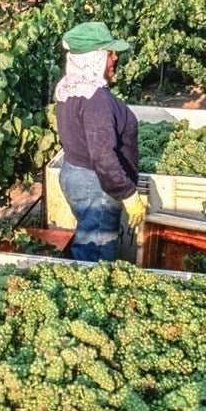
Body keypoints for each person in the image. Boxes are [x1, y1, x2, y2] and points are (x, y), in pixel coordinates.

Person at [54, 22, 147, 261]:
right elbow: (103, 157)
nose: (115, 58)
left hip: (75, 174)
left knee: (88, 236)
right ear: (94, 59)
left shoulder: (70, 88)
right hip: (96, 185)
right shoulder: (96, 100)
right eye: (110, 53)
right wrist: (128, 194)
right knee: (96, 253)